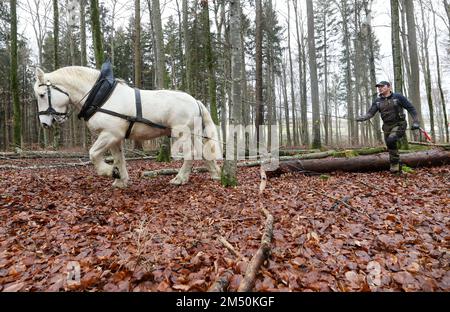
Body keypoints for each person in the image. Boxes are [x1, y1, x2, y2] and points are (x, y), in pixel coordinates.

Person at [356, 81, 420, 173]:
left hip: (399, 124)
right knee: (390, 145)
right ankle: (398, 164)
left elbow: (411, 108)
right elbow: (370, 113)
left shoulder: (398, 97)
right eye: (378, 87)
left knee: (391, 140)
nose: (380, 88)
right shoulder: (377, 101)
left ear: (389, 87)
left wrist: (416, 122)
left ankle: (394, 165)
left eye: (382, 86)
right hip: (386, 126)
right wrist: (362, 118)